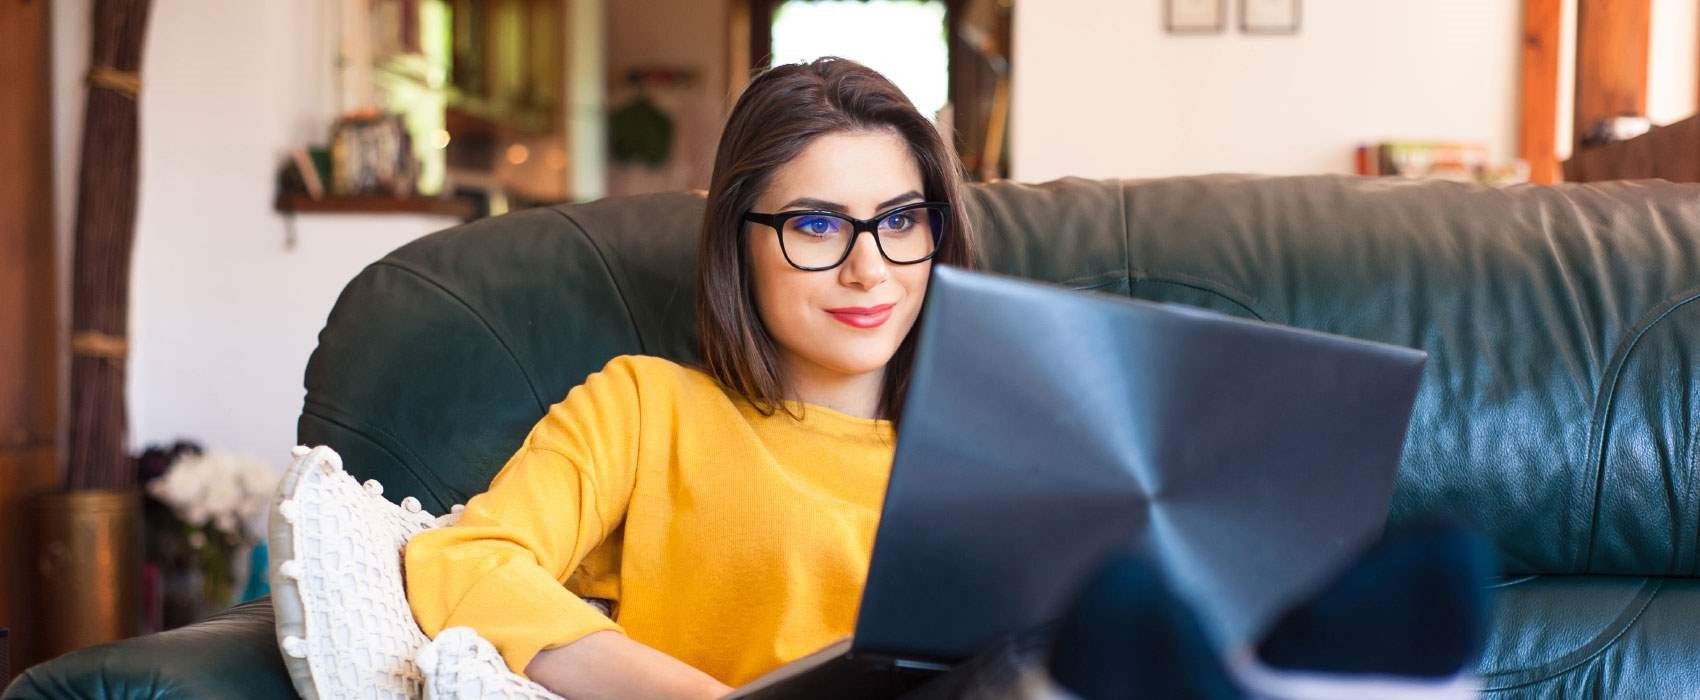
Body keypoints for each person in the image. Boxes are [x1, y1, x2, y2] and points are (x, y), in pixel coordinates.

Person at [405, 56, 976, 699]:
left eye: (900, 220)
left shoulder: (991, 448)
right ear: (739, 243)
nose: (870, 270)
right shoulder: (645, 410)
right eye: (817, 225)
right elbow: (465, 564)